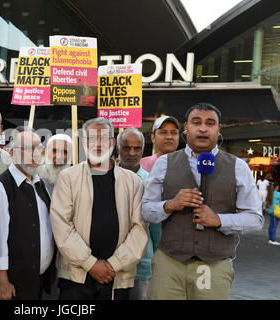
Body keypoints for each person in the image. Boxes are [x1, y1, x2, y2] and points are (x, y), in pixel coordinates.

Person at [142, 102, 264, 300]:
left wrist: (219, 220)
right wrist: (170, 205)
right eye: (196, 122)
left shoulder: (238, 167)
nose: (203, 128)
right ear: (186, 128)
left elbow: (255, 219)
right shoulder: (164, 163)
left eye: (210, 123)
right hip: (169, 261)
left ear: (218, 129)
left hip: (214, 264)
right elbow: (146, 210)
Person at [50, 117, 147, 300]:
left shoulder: (133, 182)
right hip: (76, 278)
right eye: (92, 138)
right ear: (84, 142)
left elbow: (139, 230)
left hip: (116, 277)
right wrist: (90, 264)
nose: (98, 144)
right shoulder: (68, 178)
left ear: (112, 143)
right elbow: (61, 226)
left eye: (103, 138)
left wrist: (114, 264)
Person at [0, 127, 56, 300]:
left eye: (39, 148)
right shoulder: (1, 189)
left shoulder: (39, 184)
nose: (37, 153)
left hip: (37, 281)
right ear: (13, 153)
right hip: (12, 285)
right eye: (30, 148)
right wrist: (2, 282)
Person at [116, 128, 160, 300]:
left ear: (143, 150)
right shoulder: (105, 179)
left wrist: (151, 256)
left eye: (137, 148)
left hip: (141, 266)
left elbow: (156, 228)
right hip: (111, 265)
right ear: (118, 149)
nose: (132, 153)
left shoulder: (151, 182)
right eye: (126, 148)